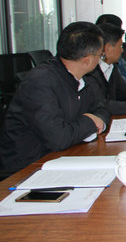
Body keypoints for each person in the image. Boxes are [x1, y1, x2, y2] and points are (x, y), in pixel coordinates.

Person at [0, 22, 110, 173]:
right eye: (100, 55)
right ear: (88, 60)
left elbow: (102, 108)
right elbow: (59, 138)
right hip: (29, 168)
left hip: (63, 156)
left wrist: (98, 120)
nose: (100, 60)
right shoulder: (39, 82)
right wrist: (90, 121)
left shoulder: (83, 77)